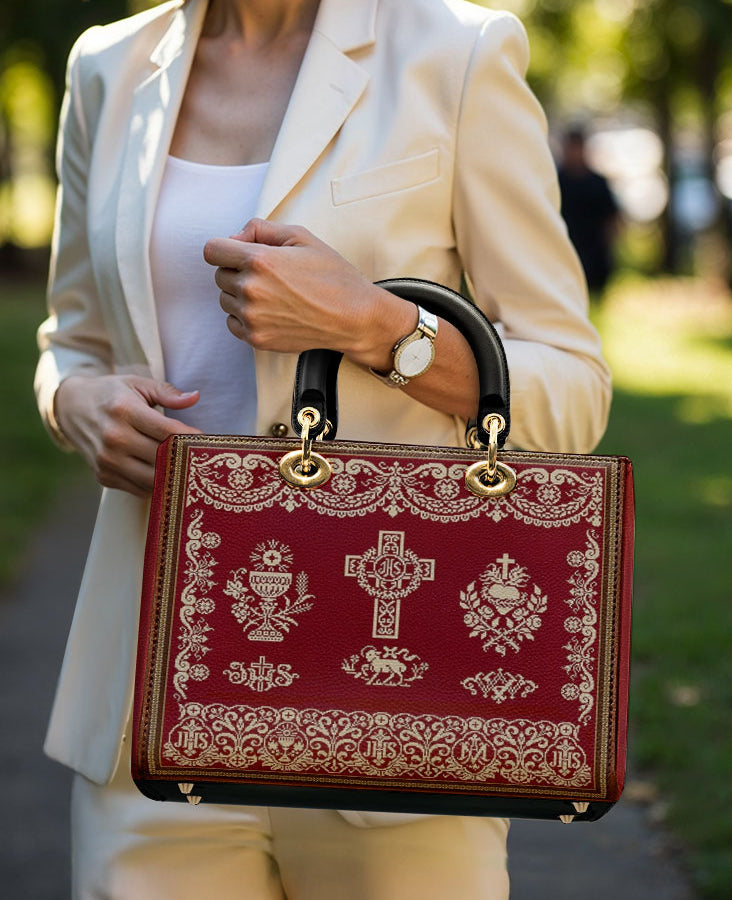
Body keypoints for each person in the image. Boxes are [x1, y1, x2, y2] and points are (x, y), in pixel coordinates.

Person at [34, 0, 611, 897]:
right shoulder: (107, 64)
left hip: (398, 704)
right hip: (148, 700)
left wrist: (377, 327)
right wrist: (75, 403)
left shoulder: (458, 52)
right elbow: (71, 341)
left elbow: (574, 386)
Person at [557, 127, 620, 297]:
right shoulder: (556, 181)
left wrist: (609, 244)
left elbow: (612, 217)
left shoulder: (597, 182)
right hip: (565, 251)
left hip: (595, 252)